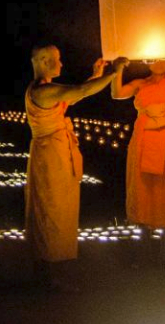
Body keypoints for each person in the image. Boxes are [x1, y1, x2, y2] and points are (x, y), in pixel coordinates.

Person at [25, 45, 117, 291]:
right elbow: (80, 91)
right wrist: (114, 73)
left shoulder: (47, 90)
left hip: (55, 154)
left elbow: (76, 95)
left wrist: (98, 74)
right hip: (49, 158)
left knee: (57, 210)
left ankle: (47, 273)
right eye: (58, 60)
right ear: (44, 61)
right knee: (49, 212)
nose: (62, 64)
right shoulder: (42, 91)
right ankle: (47, 275)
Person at [111, 57, 165, 244]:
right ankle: (143, 234)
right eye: (155, 60)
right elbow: (117, 93)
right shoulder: (141, 83)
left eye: (164, 60)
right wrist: (117, 69)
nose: (159, 63)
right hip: (144, 136)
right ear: (147, 62)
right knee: (143, 183)